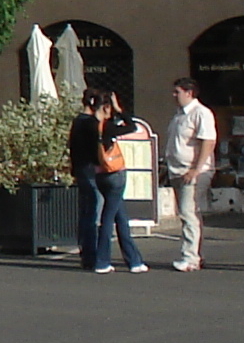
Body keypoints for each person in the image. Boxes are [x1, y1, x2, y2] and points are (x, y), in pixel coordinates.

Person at [71, 89, 146, 273]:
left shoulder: (80, 123)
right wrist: (120, 109)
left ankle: (133, 260)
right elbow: (132, 127)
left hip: (95, 172)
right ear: (105, 107)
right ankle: (103, 260)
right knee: (108, 217)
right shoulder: (103, 126)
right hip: (113, 173)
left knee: (116, 216)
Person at [162, 78, 217, 272]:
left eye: (177, 92)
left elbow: (208, 142)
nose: (174, 96)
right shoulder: (179, 116)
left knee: (188, 212)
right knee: (188, 213)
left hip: (194, 171)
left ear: (189, 93)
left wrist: (196, 168)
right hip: (177, 170)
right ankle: (194, 254)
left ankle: (190, 257)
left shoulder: (201, 113)